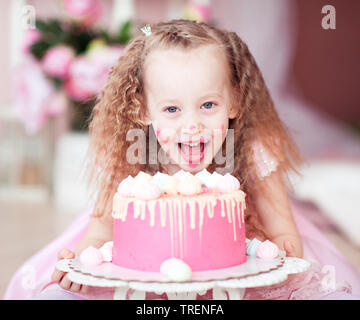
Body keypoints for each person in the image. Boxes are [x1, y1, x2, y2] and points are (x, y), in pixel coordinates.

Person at [4, 19, 360, 300]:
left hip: (237, 269)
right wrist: (84, 266)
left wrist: (275, 262)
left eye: (208, 105)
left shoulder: (252, 148)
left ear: (234, 101)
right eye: (172, 109)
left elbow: (284, 232)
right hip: (146, 270)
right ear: (142, 110)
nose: (192, 126)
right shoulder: (134, 153)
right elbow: (99, 233)